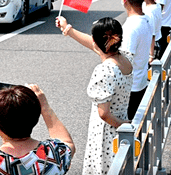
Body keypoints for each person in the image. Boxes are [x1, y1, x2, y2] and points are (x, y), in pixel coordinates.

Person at [55, 17, 132, 175]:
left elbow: (104, 113)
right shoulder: (126, 59)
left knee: (103, 168)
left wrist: (121, 125)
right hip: (122, 120)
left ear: (97, 43)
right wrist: (68, 29)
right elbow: (97, 45)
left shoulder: (104, 70)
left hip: (106, 132)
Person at [66, 0, 152, 119]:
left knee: (125, 134)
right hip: (139, 83)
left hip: (129, 90)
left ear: (124, 0)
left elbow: (114, 56)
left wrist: (69, 31)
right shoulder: (146, 18)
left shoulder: (131, 28)